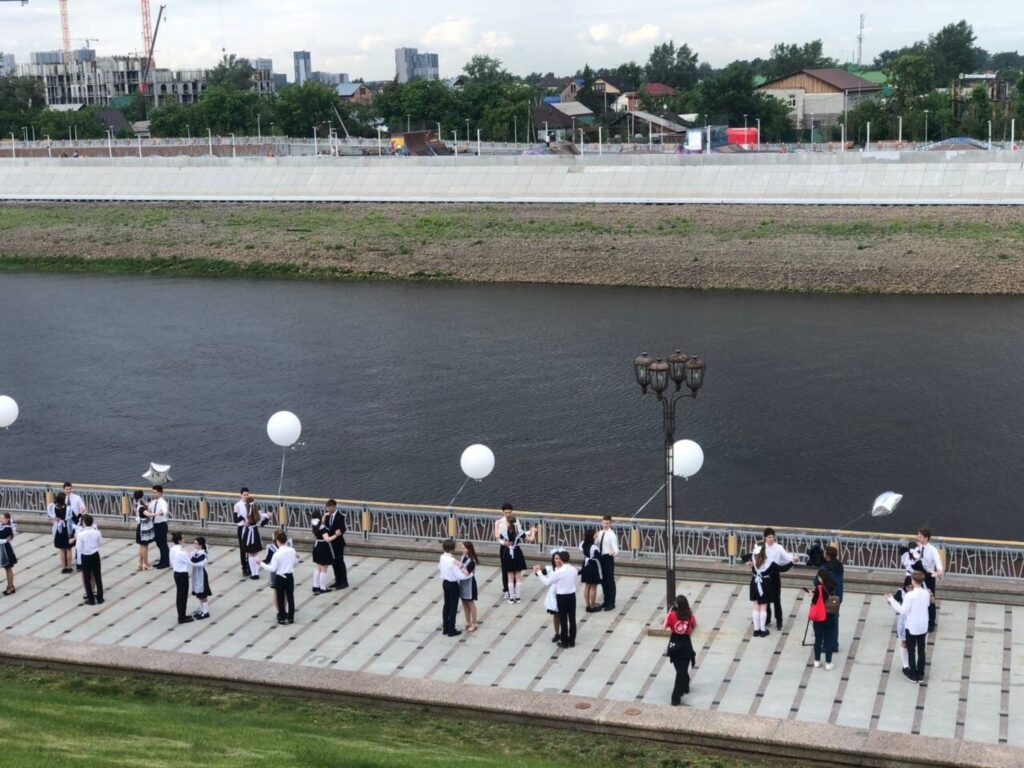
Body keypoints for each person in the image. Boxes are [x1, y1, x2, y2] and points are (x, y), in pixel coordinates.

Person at [886, 571, 932, 683]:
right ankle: (921, 674)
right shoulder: (926, 593)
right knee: (921, 651)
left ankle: (913, 674)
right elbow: (927, 605)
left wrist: (891, 599)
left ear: (913, 581)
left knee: (911, 650)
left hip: (912, 626)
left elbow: (903, 610)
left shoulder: (909, 595)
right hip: (923, 625)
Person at [534, 550, 577, 649]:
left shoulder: (559, 572)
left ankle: (564, 641)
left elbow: (547, 582)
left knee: (563, 619)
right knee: (572, 618)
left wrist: (539, 573)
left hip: (562, 597)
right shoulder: (573, 569)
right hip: (572, 595)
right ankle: (572, 641)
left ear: (561, 560)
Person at [663, 595, 697, 705]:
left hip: (674, 644)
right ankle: (685, 685)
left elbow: (664, 627)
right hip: (686, 644)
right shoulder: (691, 617)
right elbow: (692, 629)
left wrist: (668, 613)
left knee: (680, 671)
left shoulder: (672, 616)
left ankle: (676, 697)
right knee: (682, 671)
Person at [763, 527, 797, 630]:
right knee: (766, 599)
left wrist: (793, 558)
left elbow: (786, 556)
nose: (771, 539)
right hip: (765, 575)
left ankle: (779, 621)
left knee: (777, 599)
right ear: (765, 538)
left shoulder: (778, 547)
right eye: (769, 537)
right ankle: (767, 619)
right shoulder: (762, 548)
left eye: (773, 537)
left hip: (775, 574)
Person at [261, 530, 297, 625]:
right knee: (290, 597)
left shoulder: (277, 554)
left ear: (277, 541)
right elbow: (295, 561)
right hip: (290, 576)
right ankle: (291, 617)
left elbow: (272, 568)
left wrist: (261, 564)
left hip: (280, 577)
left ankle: (281, 617)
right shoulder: (292, 550)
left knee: (280, 598)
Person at [742, 541, 776, 637]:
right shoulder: (768, 561)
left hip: (754, 583)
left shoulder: (752, 558)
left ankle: (756, 630)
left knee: (756, 606)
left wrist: (751, 559)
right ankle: (762, 629)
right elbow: (781, 568)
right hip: (764, 584)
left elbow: (743, 557)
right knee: (763, 607)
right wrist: (792, 561)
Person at [807, 570, 837, 669]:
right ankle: (828, 663)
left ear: (820, 577)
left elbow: (815, 601)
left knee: (818, 639)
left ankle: (817, 661)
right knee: (828, 640)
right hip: (830, 616)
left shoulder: (819, 588)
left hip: (819, 617)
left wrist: (812, 594)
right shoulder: (832, 585)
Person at [500, 516, 533, 603]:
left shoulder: (504, 532)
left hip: (508, 552)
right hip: (517, 552)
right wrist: (532, 531)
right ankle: (518, 598)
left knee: (510, 577)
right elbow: (531, 539)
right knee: (518, 576)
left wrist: (496, 525)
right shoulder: (519, 531)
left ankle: (511, 598)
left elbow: (498, 537)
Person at [818, 545, 844, 653]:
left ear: (827, 555)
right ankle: (834, 644)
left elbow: (817, 582)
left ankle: (827, 644)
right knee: (835, 621)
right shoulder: (840, 566)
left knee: (825, 621)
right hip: (837, 596)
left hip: (826, 597)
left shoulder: (825, 568)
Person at [916, 528, 943, 632]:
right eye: (918, 536)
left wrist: (939, 569)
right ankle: (919, 619)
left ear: (926, 538)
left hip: (928, 576)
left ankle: (931, 622)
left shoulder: (932, 549)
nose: (918, 538)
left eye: (920, 536)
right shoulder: (916, 547)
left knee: (930, 599)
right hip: (917, 576)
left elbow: (937, 560)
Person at [75, 513, 104, 605]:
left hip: (86, 556)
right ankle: (100, 598)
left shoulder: (81, 534)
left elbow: (78, 548)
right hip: (95, 554)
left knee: (87, 578)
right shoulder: (97, 532)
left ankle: (91, 599)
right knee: (97, 576)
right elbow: (100, 543)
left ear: (84, 523)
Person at [438, 539, 465, 637]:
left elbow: (439, 567)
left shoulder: (442, 557)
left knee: (447, 605)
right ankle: (451, 629)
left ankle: (445, 627)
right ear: (453, 549)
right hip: (453, 584)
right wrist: (468, 574)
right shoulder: (453, 561)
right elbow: (460, 575)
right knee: (453, 607)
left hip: (445, 582)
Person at [890, 575, 914, 675]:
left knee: (913, 643)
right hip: (904, 620)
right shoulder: (901, 592)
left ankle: (911, 662)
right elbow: (892, 601)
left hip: (914, 619)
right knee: (904, 642)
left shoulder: (917, 592)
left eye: (912, 587)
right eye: (909, 587)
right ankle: (905, 665)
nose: (911, 589)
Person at [242, 501, 272, 580]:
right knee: (256, 554)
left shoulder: (246, 514)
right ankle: (257, 573)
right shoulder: (257, 514)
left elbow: (243, 523)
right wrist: (269, 516)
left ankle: (253, 573)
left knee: (250, 554)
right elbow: (263, 522)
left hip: (248, 533)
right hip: (255, 533)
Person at [47, 491, 75, 574]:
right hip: (66, 529)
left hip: (58, 530)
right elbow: (73, 518)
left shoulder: (53, 508)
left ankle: (64, 567)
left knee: (61, 549)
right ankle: (69, 566)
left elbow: (51, 516)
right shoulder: (68, 508)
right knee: (68, 548)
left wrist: (55, 519)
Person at [170, 532, 194, 624]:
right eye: (183, 538)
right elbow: (190, 561)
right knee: (182, 596)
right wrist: (187, 551)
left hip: (176, 573)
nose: (185, 539)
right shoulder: (180, 552)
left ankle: (182, 615)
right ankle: (182, 617)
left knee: (180, 595)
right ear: (179, 540)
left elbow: (171, 561)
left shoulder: (173, 549)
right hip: (182, 574)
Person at [539, 551, 563, 642]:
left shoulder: (565, 568)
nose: (558, 560)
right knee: (556, 615)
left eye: (560, 558)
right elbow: (540, 574)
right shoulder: (550, 569)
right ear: (553, 559)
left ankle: (564, 632)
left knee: (563, 615)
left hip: (563, 593)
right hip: (554, 594)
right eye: (556, 558)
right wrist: (537, 570)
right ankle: (557, 633)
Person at [597, 515, 619, 611]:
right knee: (603, 580)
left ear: (610, 524)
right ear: (601, 523)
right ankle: (606, 601)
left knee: (610, 580)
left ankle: (611, 602)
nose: (605, 525)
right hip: (601, 558)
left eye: (607, 523)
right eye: (604, 523)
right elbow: (597, 544)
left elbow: (616, 549)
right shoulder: (600, 533)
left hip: (608, 558)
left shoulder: (612, 535)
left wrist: (613, 553)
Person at [325, 499, 348, 589]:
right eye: (327, 508)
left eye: (330, 508)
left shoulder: (340, 516)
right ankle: (337, 581)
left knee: (340, 562)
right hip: (330, 543)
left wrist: (340, 532)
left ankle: (344, 582)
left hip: (338, 543)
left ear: (335, 507)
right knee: (334, 562)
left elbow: (343, 528)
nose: (329, 509)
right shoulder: (327, 516)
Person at [310, 516, 335, 595]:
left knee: (318, 567)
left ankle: (315, 586)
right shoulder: (322, 527)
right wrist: (336, 535)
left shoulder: (314, 524)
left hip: (316, 546)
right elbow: (327, 539)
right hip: (323, 547)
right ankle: (322, 588)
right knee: (323, 568)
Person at [580, 529, 603, 613]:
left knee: (587, 586)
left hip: (585, 565)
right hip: (592, 566)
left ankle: (588, 605)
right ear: (592, 536)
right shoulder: (594, 547)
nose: (596, 534)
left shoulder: (583, 544)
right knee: (593, 587)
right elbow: (599, 556)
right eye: (595, 534)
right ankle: (593, 607)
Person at [494, 503, 514, 600]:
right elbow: (497, 537)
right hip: (504, 548)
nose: (508, 514)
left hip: (513, 547)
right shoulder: (500, 522)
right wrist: (504, 543)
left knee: (514, 569)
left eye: (509, 512)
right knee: (505, 569)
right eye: (506, 512)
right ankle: (506, 589)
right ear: (503, 512)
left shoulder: (515, 521)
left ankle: (513, 588)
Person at [190, 537, 212, 620]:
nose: (194, 545)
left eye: (196, 543)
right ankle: (202, 610)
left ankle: (206, 612)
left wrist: (190, 559)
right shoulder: (196, 552)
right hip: (197, 574)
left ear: (200, 545)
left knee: (203, 594)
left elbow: (196, 562)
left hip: (202, 575)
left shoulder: (202, 554)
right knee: (199, 594)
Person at [459, 541, 480, 632]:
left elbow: (467, 572)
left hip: (469, 583)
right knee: (464, 602)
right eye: (462, 548)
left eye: (464, 548)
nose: (462, 550)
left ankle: (474, 623)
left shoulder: (472, 560)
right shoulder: (463, 557)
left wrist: (459, 566)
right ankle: (468, 621)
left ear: (469, 549)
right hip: (462, 582)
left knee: (471, 603)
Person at [148, 485, 170, 569]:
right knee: (159, 544)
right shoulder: (153, 502)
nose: (153, 494)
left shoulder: (163, 502)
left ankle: (166, 562)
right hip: (155, 525)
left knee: (163, 544)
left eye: (155, 492)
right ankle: (162, 561)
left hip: (161, 524)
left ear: (160, 492)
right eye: (153, 492)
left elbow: (164, 511)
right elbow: (149, 508)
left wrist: (158, 513)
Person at [233, 487, 252, 577]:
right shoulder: (237, 505)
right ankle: (244, 567)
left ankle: (250, 565)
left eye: (247, 494)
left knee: (250, 548)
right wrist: (243, 518)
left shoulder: (251, 504)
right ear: (241, 495)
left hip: (250, 528)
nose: (246, 496)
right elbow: (235, 519)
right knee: (243, 548)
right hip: (242, 528)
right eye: (244, 495)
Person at [134, 490, 155, 571]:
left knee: (142, 546)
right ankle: (145, 564)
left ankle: (140, 563)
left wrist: (153, 500)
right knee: (145, 546)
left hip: (140, 526)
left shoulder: (137, 503)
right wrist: (157, 513)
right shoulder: (141, 506)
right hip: (143, 527)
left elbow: (146, 504)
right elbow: (148, 514)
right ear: (142, 496)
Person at [0, 512, 17, 595]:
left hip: (6, 550)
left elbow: (3, 539)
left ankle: (10, 587)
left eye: (2, 518)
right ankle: (10, 586)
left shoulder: (7, 528)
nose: (0, 519)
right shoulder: (3, 527)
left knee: (8, 568)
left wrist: (4, 540)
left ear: (7, 519)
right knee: (7, 568)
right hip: (3, 549)